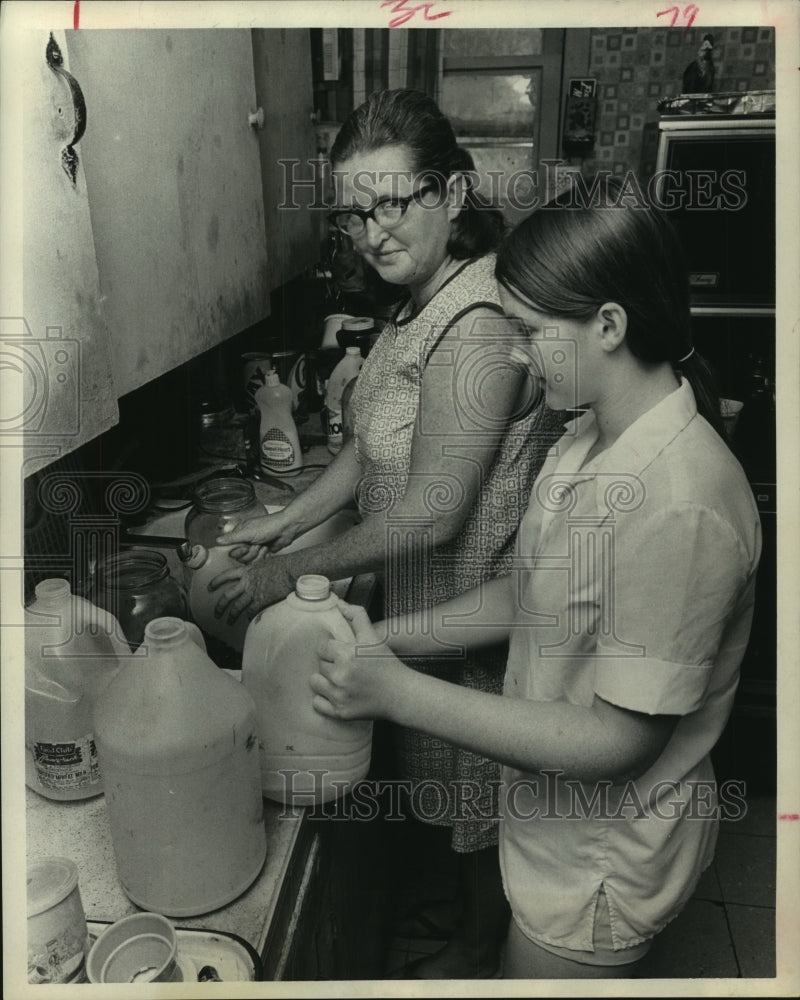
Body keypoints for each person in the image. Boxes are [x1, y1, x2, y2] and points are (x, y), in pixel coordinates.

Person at [310, 178, 762, 979]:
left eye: (529, 330)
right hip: (550, 829)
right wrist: (385, 638)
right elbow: (533, 598)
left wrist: (398, 694)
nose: (514, 353)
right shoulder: (586, 437)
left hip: (600, 864)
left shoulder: (679, 506)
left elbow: (621, 740)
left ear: (610, 325)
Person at [209, 89, 565, 978]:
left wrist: (289, 577)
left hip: (474, 612)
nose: (370, 231)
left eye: (392, 203)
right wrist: (285, 520)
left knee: (481, 810)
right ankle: (457, 928)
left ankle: (478, 957)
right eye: (353, 211)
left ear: (450, 194)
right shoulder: (416, 302)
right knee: (450, 797)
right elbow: (376, 443)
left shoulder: (476, 327)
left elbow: (433, 508)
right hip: (422, 598)